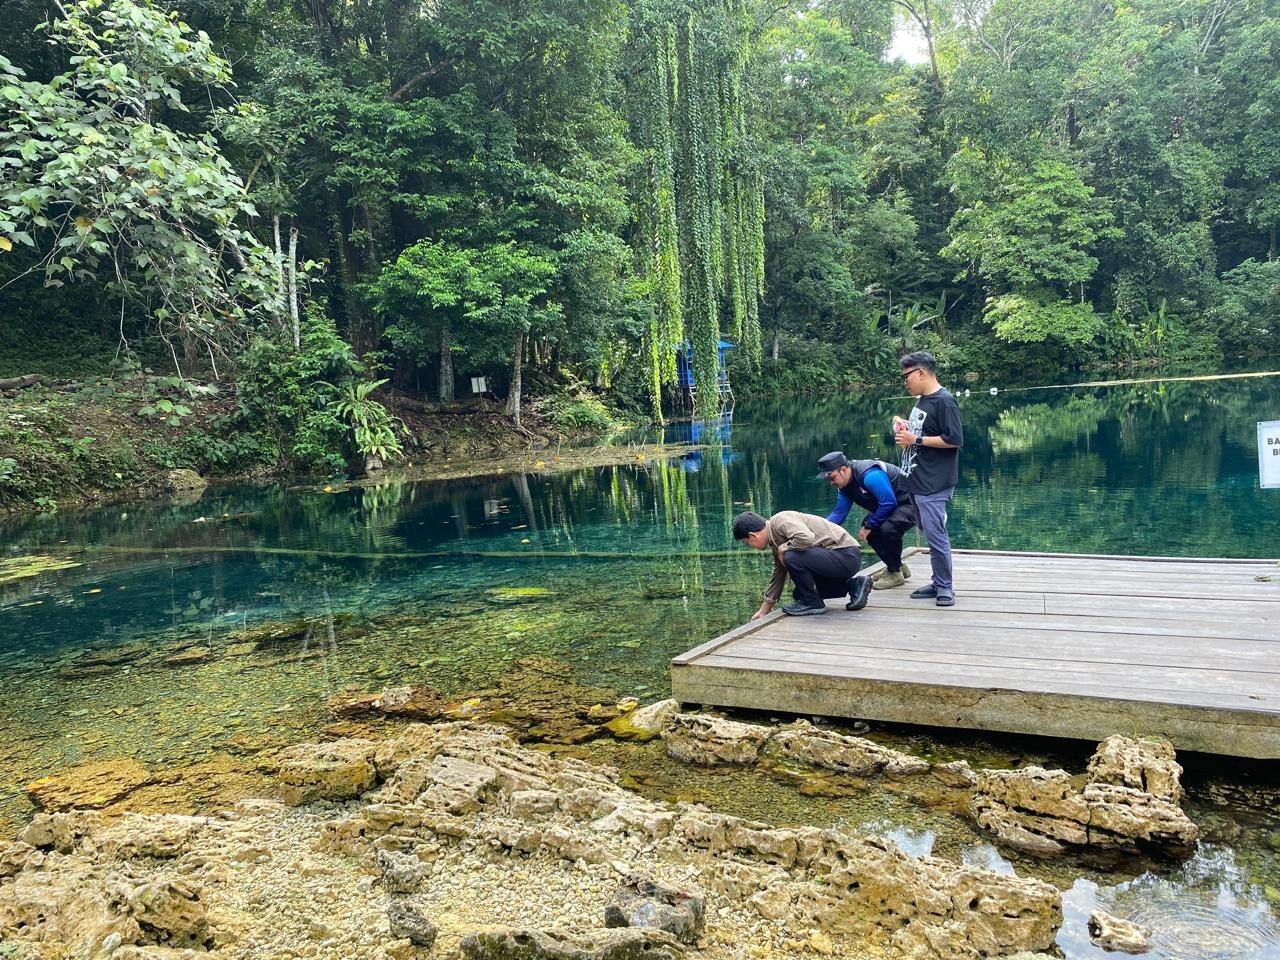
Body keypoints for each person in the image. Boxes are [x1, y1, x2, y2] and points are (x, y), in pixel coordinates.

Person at [893, 351, 963, 607]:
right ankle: (937, 581)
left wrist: (916, 439)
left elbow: (954, 440)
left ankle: (945, 587)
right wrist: (905, 429)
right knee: (930, 533)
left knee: (936, 534)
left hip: (934, 483)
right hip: (917, 479)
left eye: (906, 376)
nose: (905, 382)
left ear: (921, 373)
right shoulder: (923, 401)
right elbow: (922, 433)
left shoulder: (945, 401)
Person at [731, 510, 872, 618]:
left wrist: (783, 548)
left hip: (846, 555)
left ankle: (813, 604)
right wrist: (763, 611)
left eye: (746, 543)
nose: (751, 547)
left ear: (753, 535)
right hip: (836, 560)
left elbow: (806, 537)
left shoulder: (780, 521)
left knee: (791, 556)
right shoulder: (775, 541)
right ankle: (854, 586)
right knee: (800, 594)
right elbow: (778, 576)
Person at [818, 450, 916, 590]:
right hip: (892, 506)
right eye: (828, 480)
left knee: (887, 528)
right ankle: (896, 566)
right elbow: (839, 514)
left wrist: (870, 525)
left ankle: (895, 574)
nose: (831, 483)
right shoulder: (844, 487)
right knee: (871, 532)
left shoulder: (870, 475)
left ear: (844, 470)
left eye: (832, 478)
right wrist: (817, 529)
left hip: (913, 503)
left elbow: (888, 503)